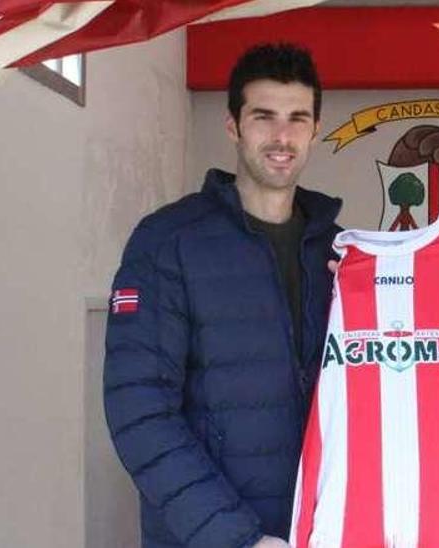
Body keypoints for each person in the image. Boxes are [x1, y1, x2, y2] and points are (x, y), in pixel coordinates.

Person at [103, 43, 340, 548]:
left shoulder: (344, 254)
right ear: (233, 126)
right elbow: (139, 410)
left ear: (316, 130)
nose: (282, 136)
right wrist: (239, 538)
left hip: (322, 533)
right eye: (264, 117)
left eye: (298, 118)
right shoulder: (167, 242)